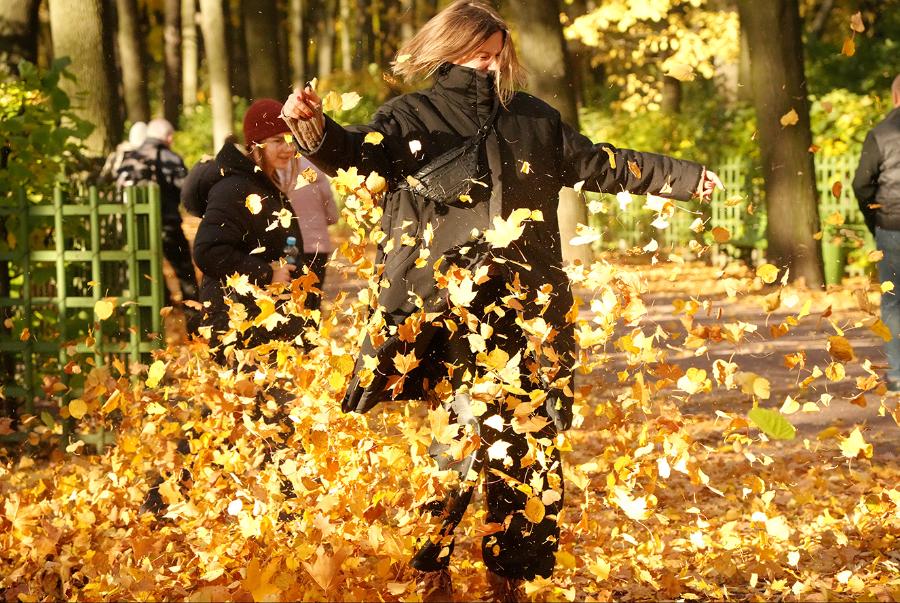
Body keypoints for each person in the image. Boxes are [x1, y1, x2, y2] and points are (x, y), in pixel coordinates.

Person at [281, 1, 722, 600]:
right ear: (448, 51)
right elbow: (357, 155)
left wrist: (683, 177)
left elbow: (599, 163)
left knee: (529, 448)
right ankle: (429, 565)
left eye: (497, 55)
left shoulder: (534, 119)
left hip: (529, 308)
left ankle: (509, 577)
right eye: (477, 55)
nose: (489, 66)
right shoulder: (412, 116)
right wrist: (314, 130)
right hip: (444, 310)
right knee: (458, 443)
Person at [192, 99, 309, 359]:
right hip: (237, 328)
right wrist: (267, 274)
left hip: (263, 324)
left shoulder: (268, 185)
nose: (287, 148)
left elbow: (287, 237)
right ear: (256, 144)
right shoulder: (234, 189)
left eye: (290, 139)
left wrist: (289, 262)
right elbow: (208, 251)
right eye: (277, 140)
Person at [116, 118, 199, 306]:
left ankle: (159, 310)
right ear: (168, 137)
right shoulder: (171, 159)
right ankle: (194, 316)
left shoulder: (129, 158)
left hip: (138, 227)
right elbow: (186, 192)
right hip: (168, 226)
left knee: (148, 271)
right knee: (184, 272)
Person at [853, 74, 900, 392]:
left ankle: (897, 372)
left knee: (894, 301)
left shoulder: (881, 133)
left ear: (895, 96)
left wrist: (876, 221)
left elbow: (861, 184)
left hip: (892, 226)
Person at [275, 155, 338, 311]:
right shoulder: (316, 169)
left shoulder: (276, 171)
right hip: (317, 245)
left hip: (289, 245)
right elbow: (333, 216)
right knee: (313, 299)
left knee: (290, 301)